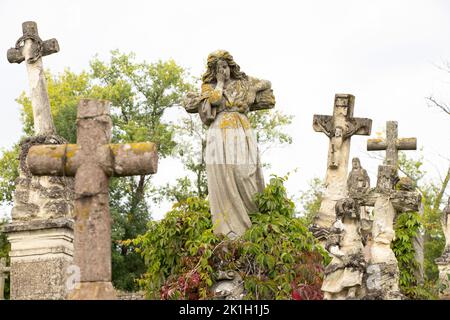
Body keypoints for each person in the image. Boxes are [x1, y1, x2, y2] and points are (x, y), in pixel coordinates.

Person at [194, 50, 274, 238]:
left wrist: (253, 89)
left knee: (244, 174)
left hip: (241, 130)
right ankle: (229, 231)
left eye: (225, 66)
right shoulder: (209, 86)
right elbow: (214, 100)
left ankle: (252, 223)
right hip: (219, 131)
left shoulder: (243, 82)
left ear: (231, 66)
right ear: (213, 71)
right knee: (223, 176)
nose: (223, 71)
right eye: (219, 68)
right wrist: (220, 83)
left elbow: (267, 84)